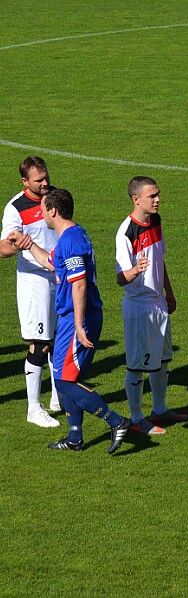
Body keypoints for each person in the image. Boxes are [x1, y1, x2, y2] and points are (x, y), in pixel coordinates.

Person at [17, 188, 130, 453]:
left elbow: (78, 285)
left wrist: (78, 325)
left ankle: (116, 421)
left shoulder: (70, 241)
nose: (41, 212)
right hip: (73, 316)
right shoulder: (71, 236)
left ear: (53, 211)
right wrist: (29, 244)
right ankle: (75, 437)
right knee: (65, 376)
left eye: (43, 208)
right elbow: (51, 263)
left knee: (66, 380)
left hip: (80, 317)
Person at [115, 177, 188, 435]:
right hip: (139, 308)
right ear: (136, 199)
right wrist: (135, 270)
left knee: (163, 360)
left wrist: (168, 290)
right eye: (152, 196)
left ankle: (159, 409)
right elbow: (119, 278)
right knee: (137, 365)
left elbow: (160, 258)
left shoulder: (155, 221)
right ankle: (136, 419)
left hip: (158, 302)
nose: (158, 200)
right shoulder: (127, 232)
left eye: (158, 194)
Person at [1, 156, 61, 427]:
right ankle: (33, 408)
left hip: (59, 278)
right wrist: (20, 244)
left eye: (46, 177)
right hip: (35, 282)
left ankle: (58, 397)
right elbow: (3, 248)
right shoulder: (16, 207)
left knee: (59, 339)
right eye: (39, 180)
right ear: (25, 181)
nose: (45, 183)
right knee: (39, 343)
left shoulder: (55, 197)